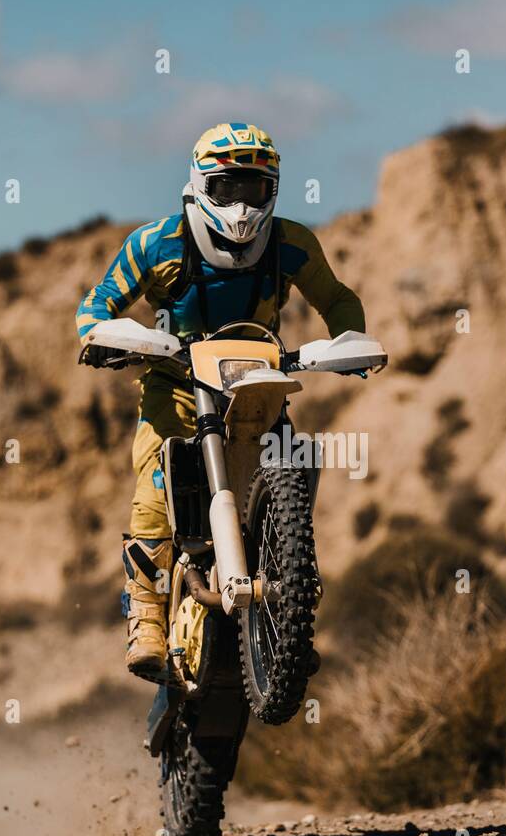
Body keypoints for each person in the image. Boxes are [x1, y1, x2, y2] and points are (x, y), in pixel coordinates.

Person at [76, 122, 365, 677]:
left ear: (272, 189)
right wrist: (106, 337)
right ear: (200, 184)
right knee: (156, 489)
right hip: (175, 389)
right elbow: (97, 304)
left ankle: (291, 614)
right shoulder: (155, 243)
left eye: (252, 189)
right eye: (227, 187)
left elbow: (337, 297)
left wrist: (349, 341)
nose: (239, 203)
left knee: (294, 482)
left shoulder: (292, 243)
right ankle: (145, 617)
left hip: (256, 383)